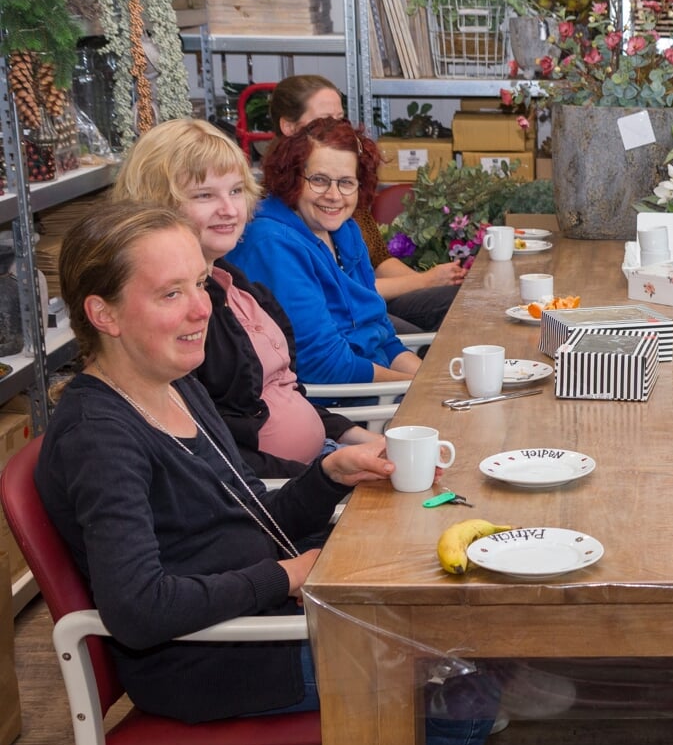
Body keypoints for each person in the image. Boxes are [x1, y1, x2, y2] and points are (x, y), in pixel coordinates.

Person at [35, 202, 497, 745]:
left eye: (199, 284)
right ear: (104, 313)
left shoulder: (176, 387)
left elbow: (245, 519)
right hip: (211, 659)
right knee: (467, 686)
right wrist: (286, 576)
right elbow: (138, 608)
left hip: (252, 625)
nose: (203, 307)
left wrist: (329, 475)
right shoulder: (100, 436)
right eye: (171, 294)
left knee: (450, 614)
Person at [110, 118, 382, 478]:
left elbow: (286, 392)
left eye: (236, 190)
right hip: (278, 495)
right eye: (205, 195)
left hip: (318, 464)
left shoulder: (232, 283)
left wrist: (358, 438)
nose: (230, 209)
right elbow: (212, 459)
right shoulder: (177, 317)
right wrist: (326, 475)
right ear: (158, 203)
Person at [226, 116, 422, 385]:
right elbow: (325, 365)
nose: (334, 195)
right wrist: (414, 387)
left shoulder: (345, 230)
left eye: (346, 182)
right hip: (345, 404)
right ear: (292, 177)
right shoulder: (272, 243)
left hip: (380, 388)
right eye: (319, 180)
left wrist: (431, 382)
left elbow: (383, 336)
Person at [270, 75, 463, 333]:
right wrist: (425, 281)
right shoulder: (285, 212)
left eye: (341, 119)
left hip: (365, 302)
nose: (334, 194)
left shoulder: (343, 193)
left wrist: (430, 281)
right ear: (289, 127)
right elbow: (341, 290)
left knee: (463, 303)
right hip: (343, 316)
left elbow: (379, 260)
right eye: (326, 120)